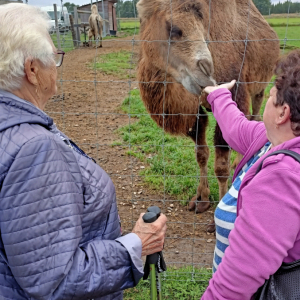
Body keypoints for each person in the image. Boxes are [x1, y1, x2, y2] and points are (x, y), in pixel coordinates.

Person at [0, 4, 167, 300]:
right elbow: (53, 280)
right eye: (54, 58)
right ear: (32, 70)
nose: (57, 65)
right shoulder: (34, 149)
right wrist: (136, 244)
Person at [201, 50, 300, 299]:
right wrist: (218, 95)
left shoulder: (282, 181)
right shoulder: (270, 141)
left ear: (282, 113)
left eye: (270, 96)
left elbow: (232, 289)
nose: (265, 99)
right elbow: (238, 128)